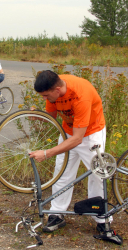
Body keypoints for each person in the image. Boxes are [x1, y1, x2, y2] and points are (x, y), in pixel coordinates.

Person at [29, 70, 112, 233]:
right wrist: (37, 115)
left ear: (57, 90)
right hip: (68, 131)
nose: (44, 99)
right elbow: (51, 115)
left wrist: (46, 153)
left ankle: (102, 219)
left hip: (90, 133)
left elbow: (78, 139)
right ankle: (56, 214)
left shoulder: (81, 95)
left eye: (46, 96)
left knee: (97, 174)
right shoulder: (53, 90)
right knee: (61, 172)